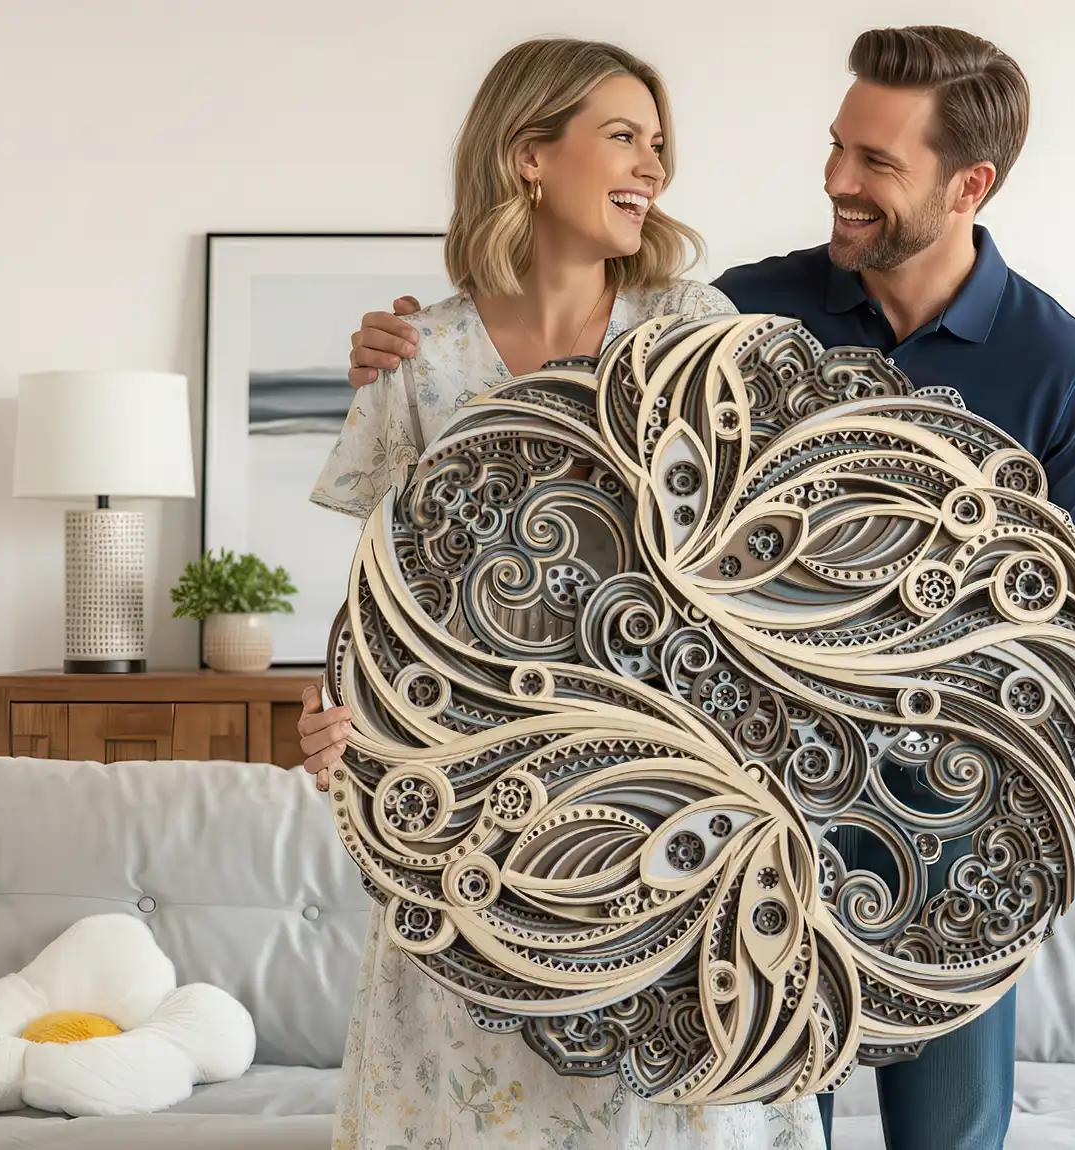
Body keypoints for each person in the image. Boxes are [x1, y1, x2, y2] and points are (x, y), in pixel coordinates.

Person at [312, 25, 1075, 1150]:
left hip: (945, 796)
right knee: (716, 1056)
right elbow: (414, 588)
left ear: (970, 185)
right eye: (837, 147)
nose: (837, 182)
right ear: (526, 153)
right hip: (712, 776)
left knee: (950, 1128)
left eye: (875, 163)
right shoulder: (743, 312)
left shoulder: (1055, 357)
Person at [304, 36, 825, 1150]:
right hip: (465, 824)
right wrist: (335, 719)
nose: (654, 166)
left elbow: (780, 572)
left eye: (659, 142)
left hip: (667, 803)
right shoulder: (417, 358)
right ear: (529, 154)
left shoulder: (697, 331)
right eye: (624, 136)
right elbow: (383, 613)